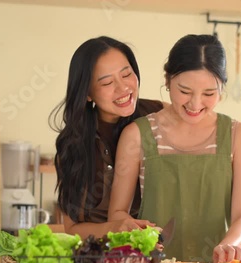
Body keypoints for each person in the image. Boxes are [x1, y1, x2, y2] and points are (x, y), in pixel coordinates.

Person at [108, 34, 241, 263]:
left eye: (209, 94)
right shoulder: (137, 135)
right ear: (167, 81)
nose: (195, 104)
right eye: (185, 91)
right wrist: (128, 227)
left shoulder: (239, 135)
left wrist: (230, 245)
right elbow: (116, 214)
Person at [49, 36, 166, 239]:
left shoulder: (160, 115)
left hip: (163, 254)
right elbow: (72, 228)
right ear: (87, 93)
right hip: (101, 260)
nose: (123, 88)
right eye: (107, 83)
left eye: (127, 74)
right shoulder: (73, 145)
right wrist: (114, 228)